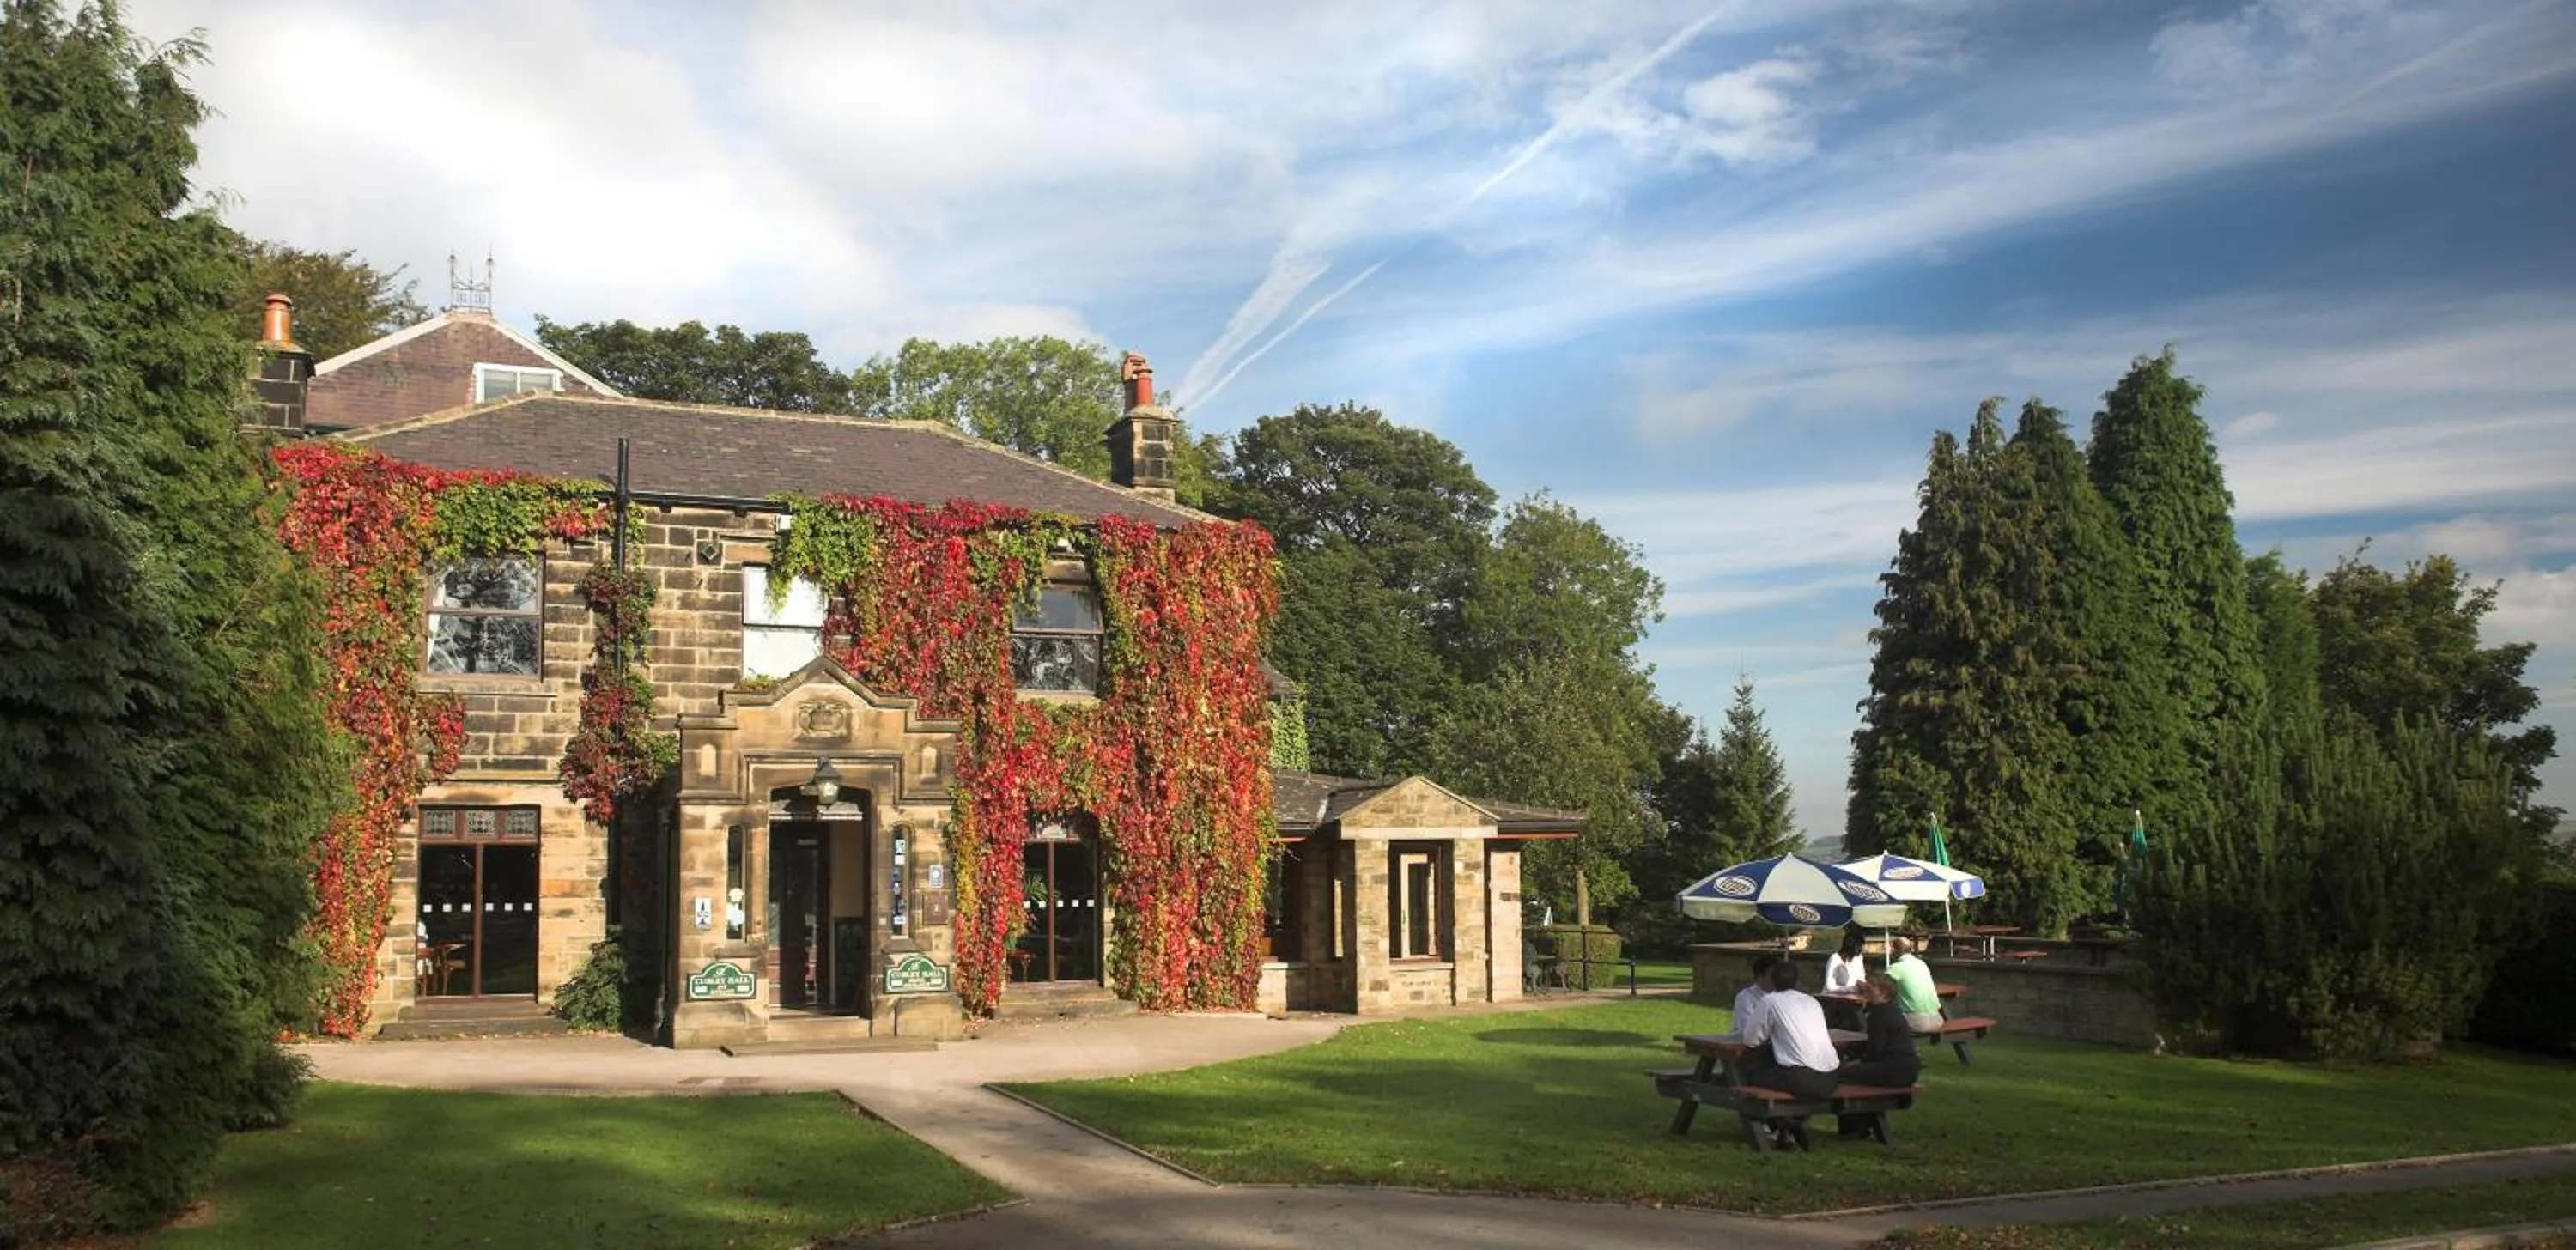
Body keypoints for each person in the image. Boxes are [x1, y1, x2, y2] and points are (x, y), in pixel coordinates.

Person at [1737, 960, 1843, 1147]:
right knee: (1774, 1067)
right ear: (1796, 980)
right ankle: (1788, 1125)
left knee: (1748, 1074)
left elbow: (1750, 1040)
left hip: (1802, 1078)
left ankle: (1779, 1123)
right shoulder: (1812, 1001)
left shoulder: (1770, 1001)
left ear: (1773, 979)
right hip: (1831, 1078)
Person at [1834, 973, 1923, 1138]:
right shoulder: (1892, 1010)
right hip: (1907, 1070)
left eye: (1872, 985)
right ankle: (1859, 1125)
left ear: (1883, 992)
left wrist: (1855, 1061)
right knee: (1855, 1071)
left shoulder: (1880, 1014)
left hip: (1894, 1070)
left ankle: (1853, 1126)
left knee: (1842, 1074)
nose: (1866, 987)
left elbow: (1875, 1051)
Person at [1886, 935, 1946, 1033]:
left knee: (1881, 1015)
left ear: (1894, 950)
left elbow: (1880, 988)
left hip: (1917, 1022)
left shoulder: (1895, 968)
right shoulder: (1922, 963)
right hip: (1937, 1020)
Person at [1732, 951, 1779, 1036]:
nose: (1777, 979)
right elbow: (1747, 1029)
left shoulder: (1781, 997)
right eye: (1772, 975)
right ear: (1760, 976)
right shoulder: (1746, 998)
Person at [1824, 930, 1868, 994]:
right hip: (1832, 999)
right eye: (1859, 946)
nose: (1862, 949)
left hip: (1852, 998)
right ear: (1850, 945)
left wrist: (1866, 986)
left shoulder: (1858, 960)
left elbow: (1861, 979)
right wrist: (1851, 989)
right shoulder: (1835, 959)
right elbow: (1830, 986)